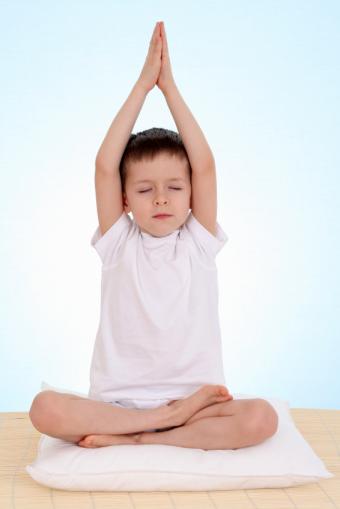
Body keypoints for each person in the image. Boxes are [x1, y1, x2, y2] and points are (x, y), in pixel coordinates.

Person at [29, 21, 278, 451]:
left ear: (192, 195)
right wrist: (144, 86)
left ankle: (145, 437)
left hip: (195, 403)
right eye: (145, 190)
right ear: (125, 199)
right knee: (43, 408)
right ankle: (156, 422)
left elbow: (205, 166)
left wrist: (171, 89)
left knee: (262, 418)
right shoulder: (118, 245)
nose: (161, 199)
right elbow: (105, 167)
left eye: (174, 188)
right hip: (119, 404)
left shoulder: (199, 243)